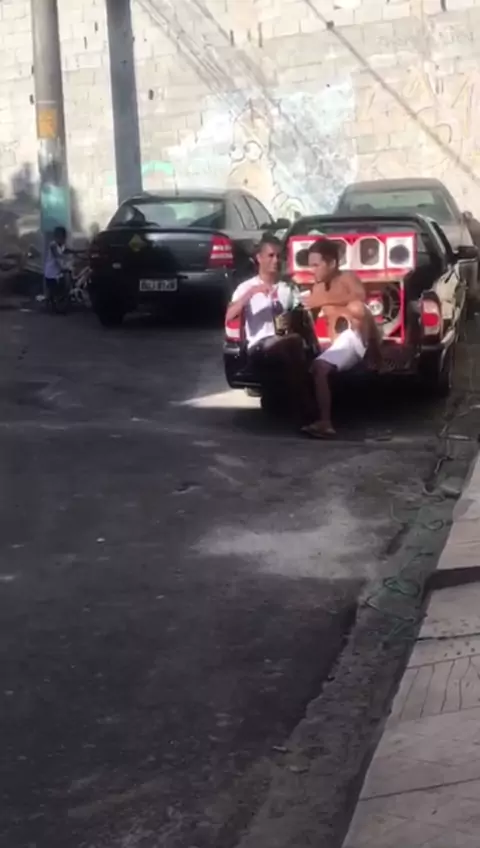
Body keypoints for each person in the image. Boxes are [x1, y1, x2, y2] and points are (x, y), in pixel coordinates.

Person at [226, 233, 314, 424]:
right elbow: (229, 316)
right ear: (259, 258)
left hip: (285, 342)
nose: (276, 261)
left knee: (293, 344)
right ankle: (306, 409)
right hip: (259, 346)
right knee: (293, 343)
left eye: (279, 256)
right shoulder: (246, 287)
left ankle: (299, 407)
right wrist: (251, 294)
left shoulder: (286, 288)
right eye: (271, 256)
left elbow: (302, 313)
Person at [301, 238, 383, 438]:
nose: (312, 270)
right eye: (310, 265)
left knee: (320, 367)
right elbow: (310, 317)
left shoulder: (347, 277)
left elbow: (360, 297)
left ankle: (325, 423)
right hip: (337, 341)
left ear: (331, 263)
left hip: (353, 337)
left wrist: (323, 300)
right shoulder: (318, 287)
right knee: (312, 365)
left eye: (316, 265)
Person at [44, 225, 70, 306]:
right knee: (57, 291)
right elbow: (57, 257)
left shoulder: (62, 246)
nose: (63, 240)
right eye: (61, 237)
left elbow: (69, 252)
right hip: (51, 274)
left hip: (58, 273)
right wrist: (64, 267)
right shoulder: (53, 245)